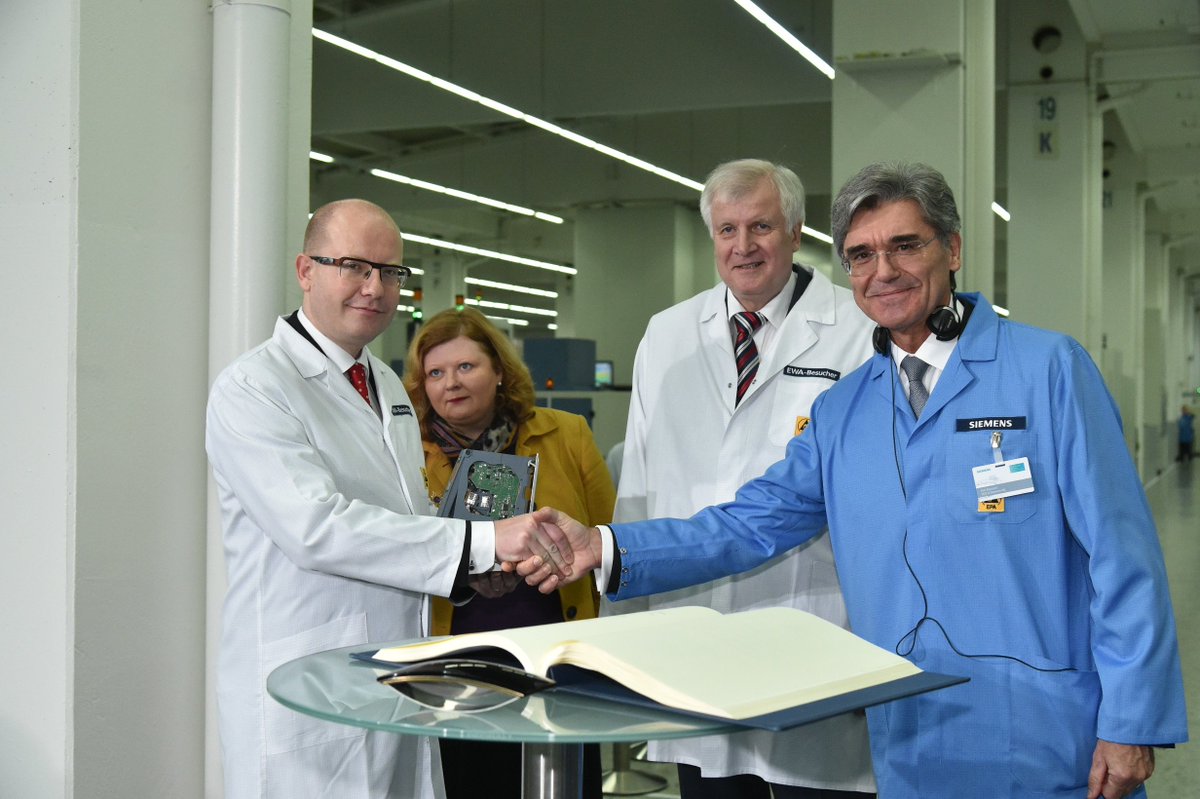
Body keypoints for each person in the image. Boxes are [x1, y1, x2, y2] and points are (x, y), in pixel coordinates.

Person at [520, 163, 1188, 799]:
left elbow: (1123, 557)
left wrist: (1131, 720)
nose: (883, 271)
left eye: (906, 245)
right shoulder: (844, 411)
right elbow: (749, 523)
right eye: (861, 255)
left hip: (1045, 733)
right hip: (910, 735)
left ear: (953, 248)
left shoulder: (1048, 371)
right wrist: (603, 546)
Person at [206, 199, 570, 799]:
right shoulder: (254, 388)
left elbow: (406, 517)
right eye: (353, 266)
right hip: (308, 677)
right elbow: (316, 528)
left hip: (397, 673)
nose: (374, 287)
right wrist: (480, 541)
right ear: (305, 270)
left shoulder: (388, 388)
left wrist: (475, 571)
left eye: (390, 271)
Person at [610, 158, 876, 799]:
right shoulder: (668, 333)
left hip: (816, 622)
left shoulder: (861, 330)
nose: (743, 246)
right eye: (727, 230)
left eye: (761, 226)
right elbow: (637, 485)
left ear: (796, 232)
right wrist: (621, 631)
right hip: (693, 629)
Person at [403, 306, 614, 799]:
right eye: (435, 373)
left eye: (466, 366)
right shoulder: (408, 452)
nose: (451, 383)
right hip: (456, 661)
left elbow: (608, 532)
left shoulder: (566, 433)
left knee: (563, 784)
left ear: (499, 370)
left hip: (556, 655)